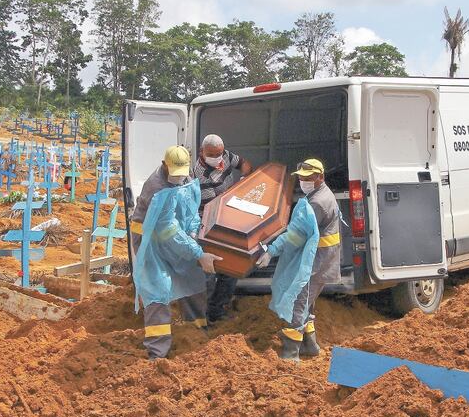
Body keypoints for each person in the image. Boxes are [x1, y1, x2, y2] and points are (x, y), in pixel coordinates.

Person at [131, 145, 221, 359]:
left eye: (182, 173)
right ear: (164, 165)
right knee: (158, 288)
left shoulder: (186, 177)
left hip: (179, 237)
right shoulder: (156, 188)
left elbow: (191, 211)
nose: (179, 178)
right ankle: (157, 351)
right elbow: (167, 230)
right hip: (151, 241)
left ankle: (196, 332)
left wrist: (192, 231)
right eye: (175, 174)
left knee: (192, 277)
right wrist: (197, 253)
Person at [256, 158, 341, 361]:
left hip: (316, 263)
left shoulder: (318, 203)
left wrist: (271, 251)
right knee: (307, 303)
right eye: (301, 178)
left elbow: (295, 236)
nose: (303, 182)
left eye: (308, 178)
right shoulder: (321, 194)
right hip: (322, 260)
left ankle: (290, 353)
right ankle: (310, 346)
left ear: (320, 178)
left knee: (298, 303)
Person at [193, 133, 253, 323]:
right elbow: (215, 207)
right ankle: (205, 317)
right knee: (209, 275)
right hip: (210, 228)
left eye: (220, 153)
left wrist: (244, 178)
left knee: (230, 270)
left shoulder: (225, 155)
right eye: (213, 154)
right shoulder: (200, 174)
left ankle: (218, 311)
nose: (219, 158)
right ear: (203, 152)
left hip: (228, 219)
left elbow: (244, 163)